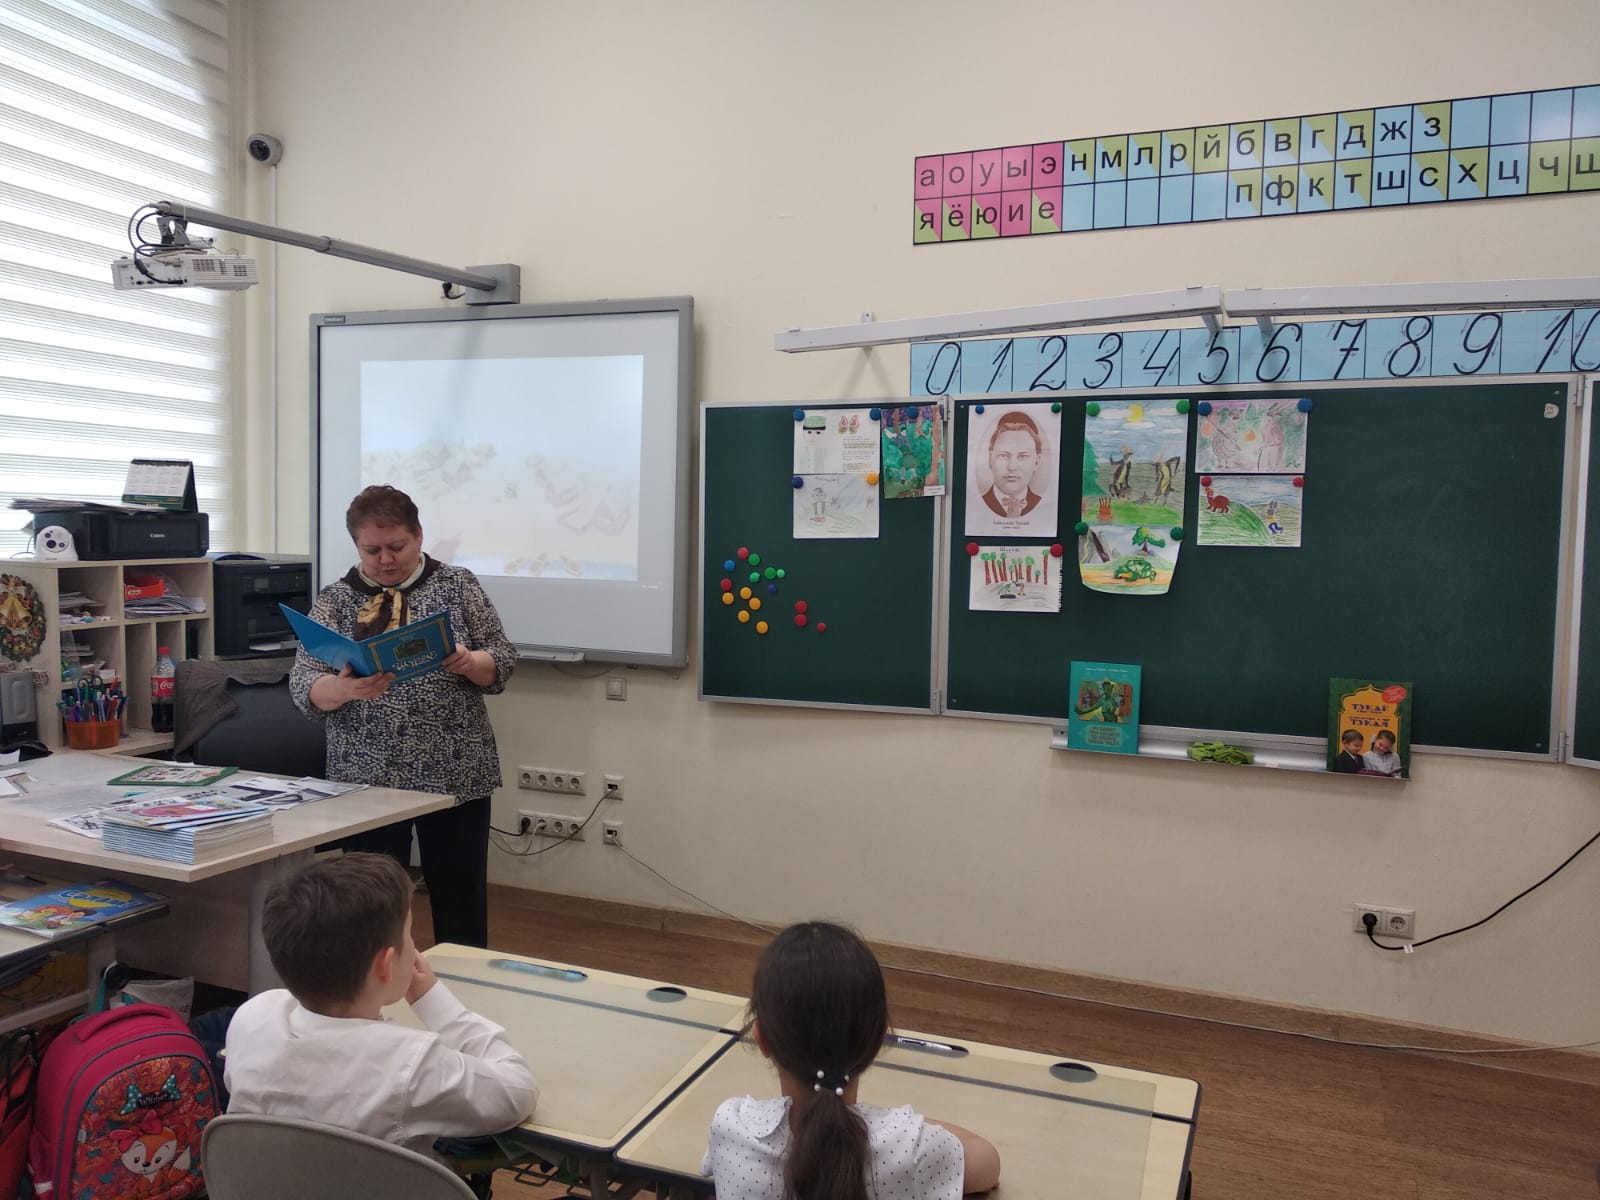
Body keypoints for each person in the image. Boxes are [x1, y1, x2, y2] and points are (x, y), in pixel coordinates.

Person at [290, 484, 514, 947]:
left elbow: (503, 659)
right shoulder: (335, 599)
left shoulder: (458, 584)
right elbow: (303, 684)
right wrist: (342, 688)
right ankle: (375, 986)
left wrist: (470, 662)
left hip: (454, 770)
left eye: (397, 546)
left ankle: (461, 980)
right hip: (366, 775)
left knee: (460, 895)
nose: (386, 560)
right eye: (372, 550)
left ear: (419, 536)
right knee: (371, 907)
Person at [223, 853, 537, 1156]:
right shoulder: (411, 1064)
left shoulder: (253, 1018)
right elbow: (518, 1091)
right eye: (408, 935)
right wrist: (434, 1002)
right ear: (385, 965)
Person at [702, 922, 1001, 1200]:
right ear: (877, 1040)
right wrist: (909, 1123)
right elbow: (988, 1162)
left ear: (761, 1039)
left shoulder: (730, 1126)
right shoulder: (913, 1147)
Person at [980, 411, 1044, 519]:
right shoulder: (977, 504)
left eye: (1022, 456)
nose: (1012, 467)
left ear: (1036, 462)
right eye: (1003, 455)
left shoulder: (1044, 507)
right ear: (990, 459)